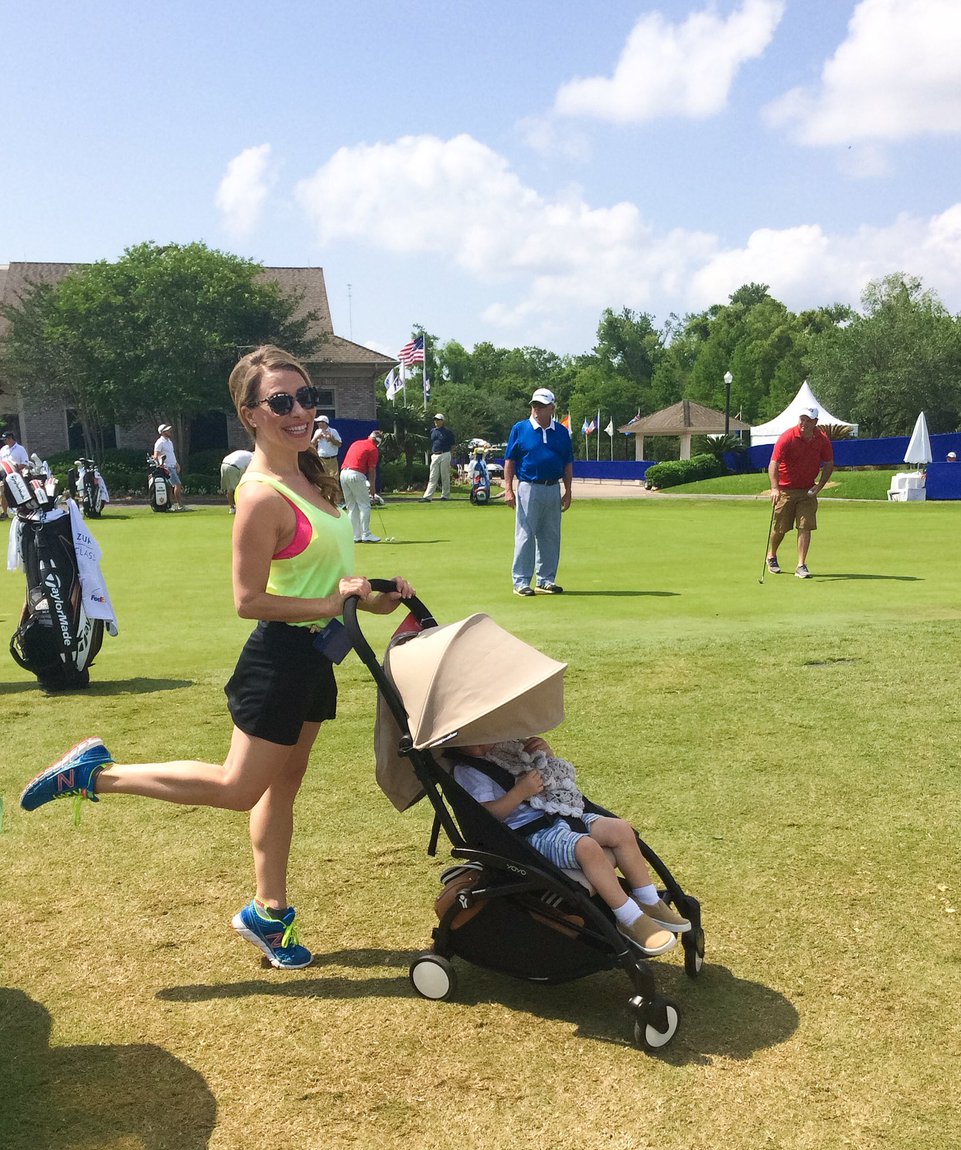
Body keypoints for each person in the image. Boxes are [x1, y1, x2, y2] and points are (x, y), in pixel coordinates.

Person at [18, 345, 415, 969]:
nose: (299, 412)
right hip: (278, 661)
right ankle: (94, 773)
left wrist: (371, 596)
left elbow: (316, 581)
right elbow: (249, 600)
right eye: (280, 402)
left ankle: (268, 913)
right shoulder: (259, 496)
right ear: (249, 413)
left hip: (315, 660)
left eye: (306, 398)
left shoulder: (313, 478)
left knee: (282, 790)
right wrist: (331, 602)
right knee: (237, 787)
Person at [451, 736, 690, 956]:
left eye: (487, 735)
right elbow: (487, 817)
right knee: (587, 847)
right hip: (529, 835)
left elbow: (549, 780)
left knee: (621, 830)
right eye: (473, 740)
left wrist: (545, 756)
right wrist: (520, 792)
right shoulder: (469, 771)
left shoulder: (505, 749)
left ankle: (648, 900)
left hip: (556, 816)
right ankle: (628, 918)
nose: (483, 745)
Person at [503, 388, 573, 596]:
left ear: (552, 408)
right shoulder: (520, 428)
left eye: (541, 406)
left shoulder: (561, 432)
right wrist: (508, 489)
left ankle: (546, 580)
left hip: (553, 487)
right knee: (525, 534)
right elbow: (510, 461)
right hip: (528, 487)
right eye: (534, 405)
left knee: (550, 536)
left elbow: (567, 463)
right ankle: (521, 581)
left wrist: (568, 490)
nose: (536, 409)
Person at [767, 403, 834, 579]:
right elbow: (774, 462)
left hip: (807, 491)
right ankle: (772, 555)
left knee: (805, 527)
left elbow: (828, 463)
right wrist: (775, 488)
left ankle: (801, 565)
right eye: (802, 419)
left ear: (815, 422)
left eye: (808, 420)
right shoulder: (787, 437)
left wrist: (819, 486)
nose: (803, 423)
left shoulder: (822, 439)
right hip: (786, 490)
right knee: (780, 528)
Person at [340, 428, 384, 543]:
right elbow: (372, 470)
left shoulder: (356, 442)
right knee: (364, 505)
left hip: (343, 473)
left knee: (352, 506)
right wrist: (373, 488)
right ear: (378, 441)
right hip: (356, 474)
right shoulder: (373, 448)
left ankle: (355, 535)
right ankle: (366, 534)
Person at [420, 413, 456, 501]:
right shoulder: (433, 431)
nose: (436, 421)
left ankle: (445, 495)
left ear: (442, 421)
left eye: (438, 420)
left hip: (445, 454)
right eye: (435, 420)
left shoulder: (447, 432)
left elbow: (453, 445)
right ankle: (427, 497)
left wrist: (452, 455)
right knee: (432, 476)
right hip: (435, 455)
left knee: (445, 476)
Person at [153, 424, 186, 512]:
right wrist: (162, 465)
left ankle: (171, 505)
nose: (170, 431)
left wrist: (177, 464)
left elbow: (171, 454)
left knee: (172, 486)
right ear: (163, 432)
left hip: (173, 466)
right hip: (167, 468)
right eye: (168, 430)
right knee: (177, 484)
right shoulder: (160, 442)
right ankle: (179, 505)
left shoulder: (169, 442)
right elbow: (156, 456)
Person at [0, 430, 30, 519]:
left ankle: (20, 510)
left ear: (10, 439)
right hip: (4, 475)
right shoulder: (3, 449)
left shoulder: (20, 449)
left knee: (17, 494)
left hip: (16, 475)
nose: (4, 441)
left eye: (5, 439)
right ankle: (4, 512)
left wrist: (15, 469)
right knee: (3, 493)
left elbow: (25, 462)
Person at [220, 448, 253, 513]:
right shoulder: (253, 457)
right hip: (235, 467)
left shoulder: (244, 454)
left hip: (224, 465)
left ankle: (232, 508)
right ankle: (241, 508)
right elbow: (249, 470)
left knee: (229, 488)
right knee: (239, 488)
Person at [311, 414, 342, 478]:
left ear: (324, 423)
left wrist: (330, 439)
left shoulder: (333, 431)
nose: (318, 424)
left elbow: (339, 444)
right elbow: (312, 444)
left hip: (332, 460)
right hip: (321, 459)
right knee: (323, 478)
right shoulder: (317, 431)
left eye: (319, 422)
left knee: (334, 479)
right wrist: (317, 437)